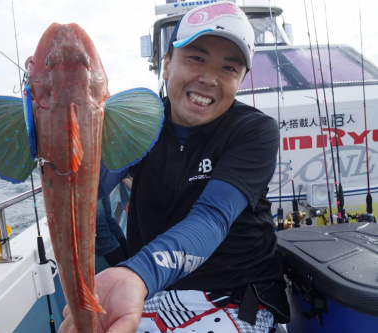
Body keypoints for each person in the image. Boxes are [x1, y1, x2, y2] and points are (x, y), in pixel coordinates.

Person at [60, 2, 289, 332]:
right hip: (151, 291)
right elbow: (90, 187)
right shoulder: (142, 121)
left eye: (229, 68)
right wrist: (64, 135)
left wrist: (136, 272)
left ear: (240, 80)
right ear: (167, 64)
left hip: (236, 294)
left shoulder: (254, 130)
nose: (209, 78)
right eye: (196, 57)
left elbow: (212, 217)